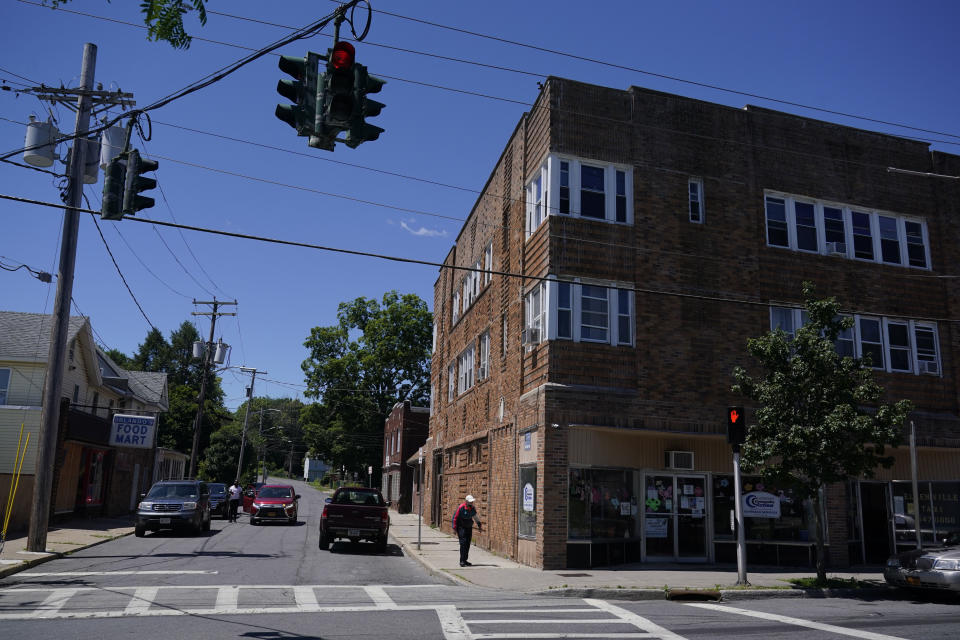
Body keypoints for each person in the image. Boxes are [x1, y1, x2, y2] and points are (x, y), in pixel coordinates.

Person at [451, 494, 482, 567]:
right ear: (466, 501)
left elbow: (475, 517)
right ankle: (461, 561)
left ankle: (465, 560)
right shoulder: (461, 507)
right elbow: (455, 518)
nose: (471, 503)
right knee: (463, 543)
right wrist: (454, 528)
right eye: (470, 502)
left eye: (472, 502)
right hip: (461, 527)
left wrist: (479, 525)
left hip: (468, 527)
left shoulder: (472, 508)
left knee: (468, 543)